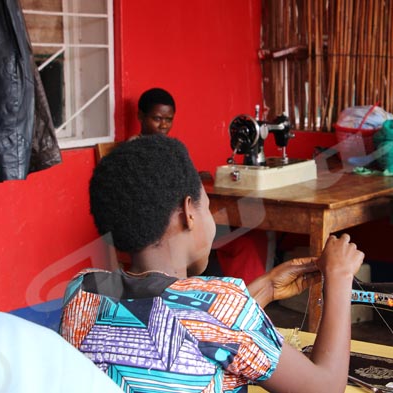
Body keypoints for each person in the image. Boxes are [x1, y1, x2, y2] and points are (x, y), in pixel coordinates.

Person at [59, 135, 364, 392]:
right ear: (188, 212)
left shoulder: (83, 291)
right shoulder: (223, 307)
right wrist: (338, 276)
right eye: (207, 205)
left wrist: (267, 287)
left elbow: (188, 322)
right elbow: (325, 387)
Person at [135, 87, 270, 284]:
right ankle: (241, 299)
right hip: (169, 229)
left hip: (181, 221)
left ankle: (236, 295)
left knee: (250, 236)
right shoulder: (135, 153)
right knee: (247, 239)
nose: (163, 125)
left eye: (168, 120)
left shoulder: (168, 148)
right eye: (157, 118)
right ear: (141, 116)